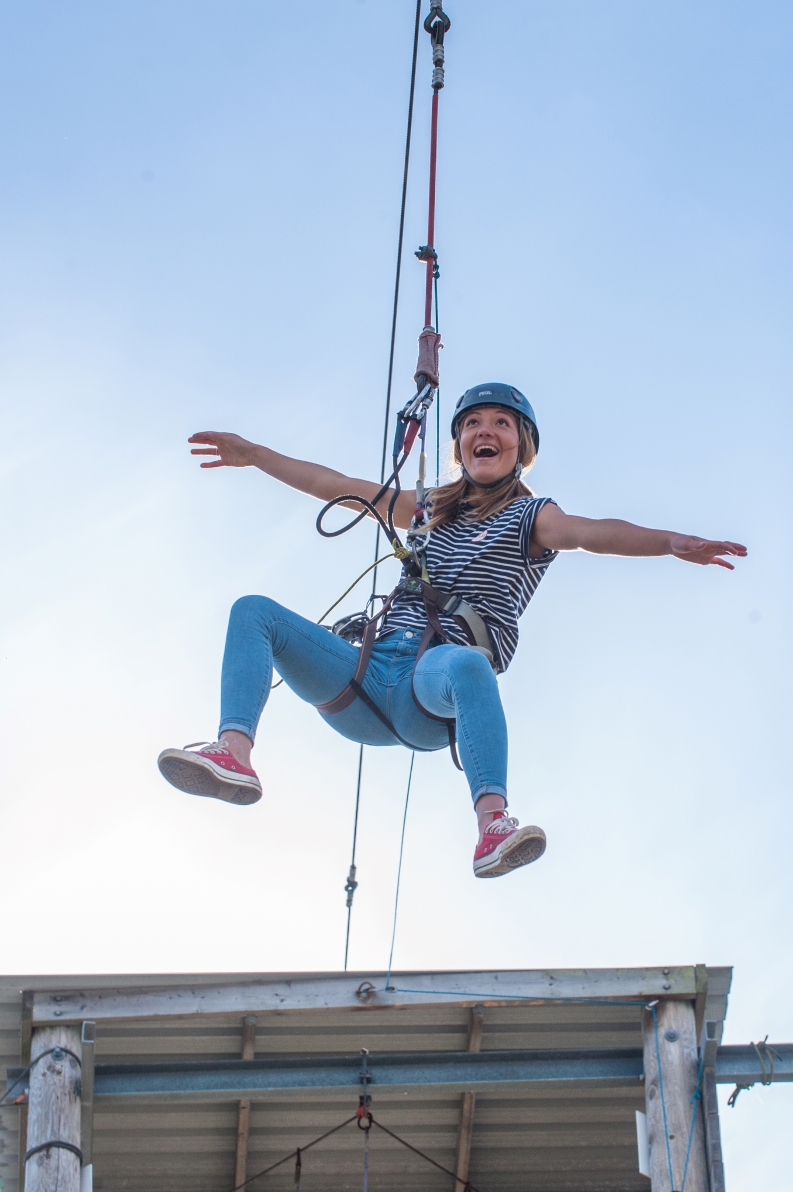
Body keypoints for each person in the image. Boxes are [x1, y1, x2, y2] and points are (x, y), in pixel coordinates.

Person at [158, 383, 746, 878]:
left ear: (522, 448)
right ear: (460, 444)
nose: (484, 430)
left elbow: (592, 532)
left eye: (501, 423)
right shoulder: (426, 508)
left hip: (427, 690)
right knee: (253, 610)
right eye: (471, 424)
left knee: (469, 665)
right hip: (361, 679)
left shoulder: (530, 517)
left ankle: (493, 824)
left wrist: (668, 544)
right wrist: (255, 453)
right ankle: (233, 755)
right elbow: (333, 485)